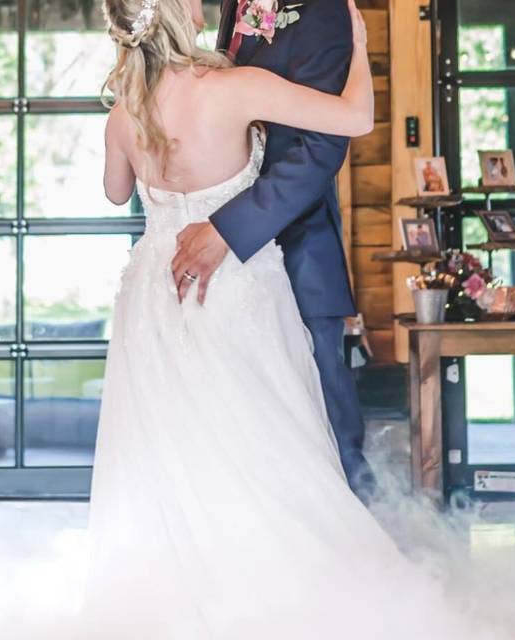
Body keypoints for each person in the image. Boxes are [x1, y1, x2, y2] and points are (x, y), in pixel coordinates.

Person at [77, 0, 496, 636]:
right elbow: (354, 117)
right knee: (277, 446)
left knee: (176, 451)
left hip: (158, 294)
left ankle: (190, 604)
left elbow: (115, 191)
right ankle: (298, 601)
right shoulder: (231, 85)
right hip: (238, 289)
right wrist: (362, 48)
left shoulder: (126, 112)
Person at [169, 0, 376, 492]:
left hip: (297, 250)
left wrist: (227, 228)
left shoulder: (322, 10)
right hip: (223, 272)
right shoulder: (231, 6)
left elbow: (321, 146)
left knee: (328, 436)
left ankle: (357, 560)